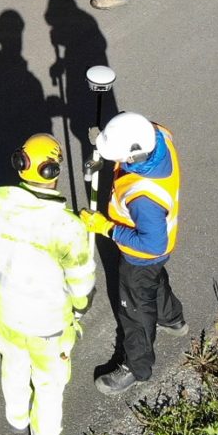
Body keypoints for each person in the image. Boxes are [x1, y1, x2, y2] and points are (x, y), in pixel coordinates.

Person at [0, 134, 97, 435]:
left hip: (7, 315)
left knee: (12, 365)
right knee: (48, 385)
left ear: (22, 165)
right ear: (53, 170)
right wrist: (82, 301)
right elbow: (81, 278)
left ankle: (16, 415)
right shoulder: (67, 227)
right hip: (49, 327)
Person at [80, 111, 186, 395]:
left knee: (135, 311)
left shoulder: (144, 197)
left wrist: (107, 228)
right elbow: (132, 130)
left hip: (142, 255)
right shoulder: (158, 136)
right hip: (155, 255)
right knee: (153, 282)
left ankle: (137, 367)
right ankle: (172, 318)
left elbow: (152, 245)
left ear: (135, 157)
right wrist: (107, 141)